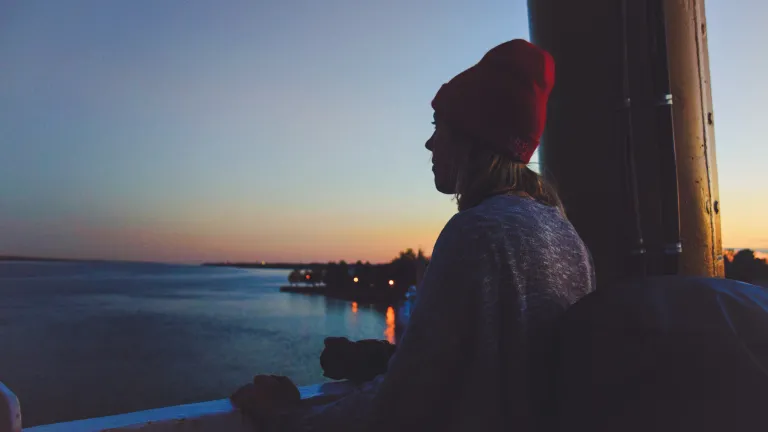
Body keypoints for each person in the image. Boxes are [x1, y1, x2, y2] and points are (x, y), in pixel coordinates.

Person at [231, 39, 595, 432]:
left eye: (439, 127)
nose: (429, 142)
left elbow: (398, 409)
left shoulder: (477, 231)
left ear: (472, 137)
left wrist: (288, 415)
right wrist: (392, 359)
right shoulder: (566, 235)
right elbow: (508, 363)